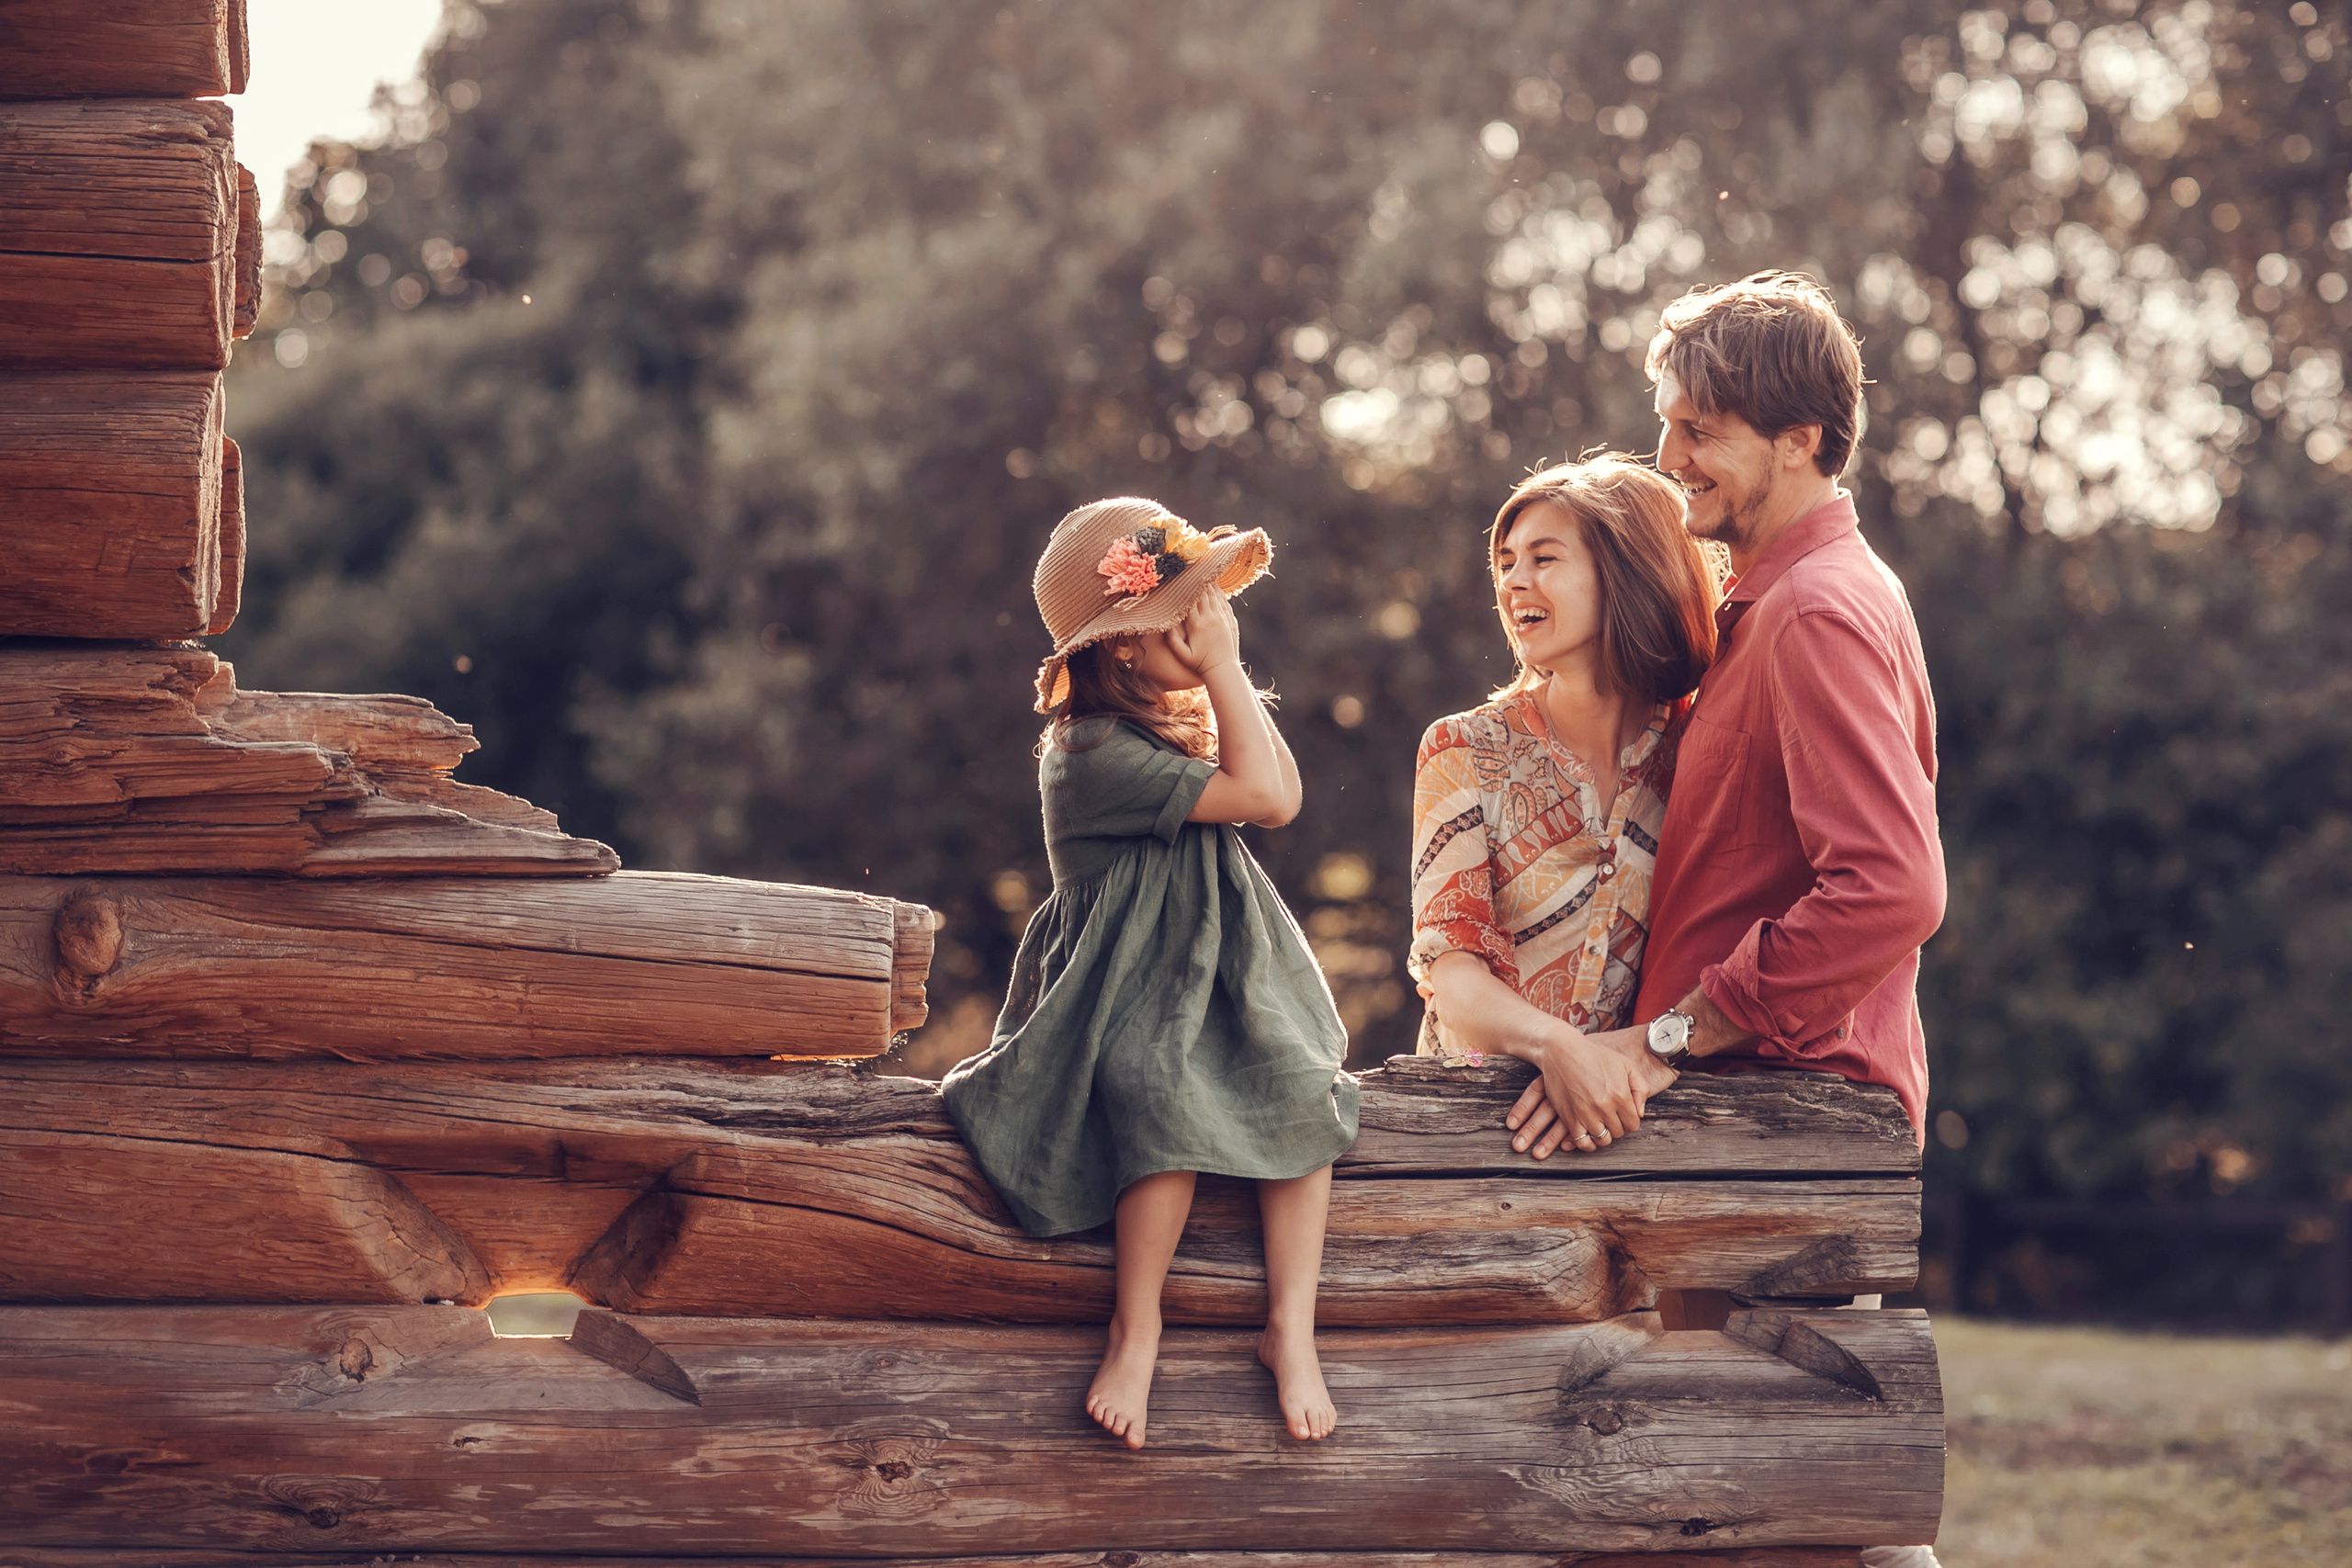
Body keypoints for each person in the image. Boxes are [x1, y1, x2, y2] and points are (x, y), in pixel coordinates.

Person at [1492, 275, 1948, 1568]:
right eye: (1668, 421)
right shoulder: (1765, 601)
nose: (1669, 455)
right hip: (1754, 1116)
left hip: (1790, 1120)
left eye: (1702, 429)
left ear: (1800, 436)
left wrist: (1670, 1037)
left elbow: (1895, 888)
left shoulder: (1815, 612)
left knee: (1797, 1499)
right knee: (1774, 1495)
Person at [942, 497, 1359, 1454]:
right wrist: (1223, 670)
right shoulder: (1088, 752)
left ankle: (1288, 1328)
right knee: (1153, 1089)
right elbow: (1270, 798)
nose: (1211, 625)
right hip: (1121, 987)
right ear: (1125, 646)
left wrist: (1219, 675)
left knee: (1303, 1095)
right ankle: (1137, 1326)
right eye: (1186, 614)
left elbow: (1278, 792)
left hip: (1215, 972)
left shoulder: (1163, 732)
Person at [1408, 455, 1718, 1103]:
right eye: (1506, 562)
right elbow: (1451, 971)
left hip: (1634, 1132)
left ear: (1629, 573)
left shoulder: (1702, 750)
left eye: (1544, 559)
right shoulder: (1461, 747)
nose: (1514, 581)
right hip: (1461, 1129)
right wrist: (1561, 1050)